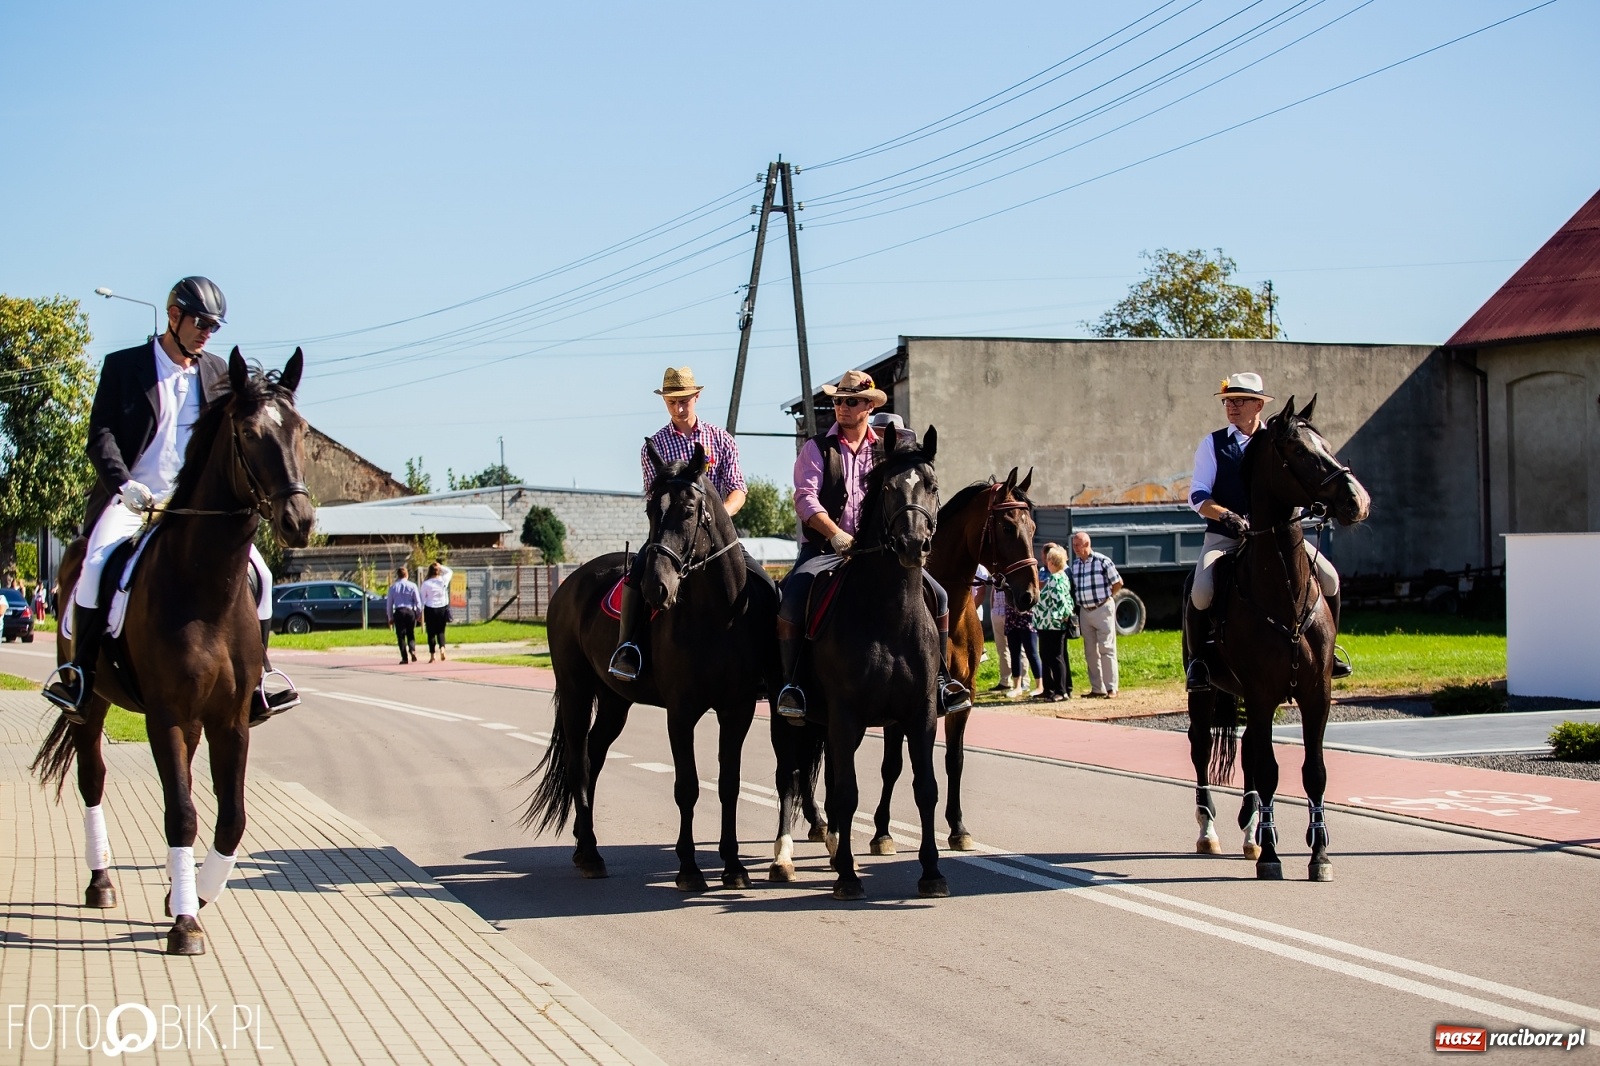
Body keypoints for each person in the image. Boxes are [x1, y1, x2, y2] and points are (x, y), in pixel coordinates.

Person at [43, 277, 297, 725]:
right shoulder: (125, 367)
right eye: (200, 322)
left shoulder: (218, 371)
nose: (206, 333)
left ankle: (257, 679)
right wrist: (124, 485)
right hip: (134, 499)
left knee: (260, 573)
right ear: (173, 315)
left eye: (214, 326)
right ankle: (79, 675)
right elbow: (100, 436)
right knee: (95, 566)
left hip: (195, 505)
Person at [773, 371, 970, 719]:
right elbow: (804, 499)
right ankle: (794, 686)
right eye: (837, 401)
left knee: (938, 596)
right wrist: (834, 532)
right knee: (791, 599)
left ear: (868, 406)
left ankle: (940, 681)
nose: (842, 407)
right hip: (823, 551)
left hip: (881, 555)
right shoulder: (817, 448)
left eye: (850, 401)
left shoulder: (885, 450)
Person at [1184, 372, 1347, 691]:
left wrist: (1306, 505)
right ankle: (1199, 661)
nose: (1232, 406)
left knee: (1330, 579)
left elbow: (1292, 484)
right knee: (1202, 589)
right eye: (1228, 401)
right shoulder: (1213, 444)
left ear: (1259, 404)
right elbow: (1197, 495)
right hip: (1227, 536)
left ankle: (1331, 654)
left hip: (1280, 538)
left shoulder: (1278, 442)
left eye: (1239, 400)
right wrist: (1226, 515)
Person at [608, 366, 751, 681]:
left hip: (718, 539)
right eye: (672, 401)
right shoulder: (653, 447)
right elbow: (653, 498)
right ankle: (627, 647)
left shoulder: (721, 440)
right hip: (670, 536)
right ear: (665, 402)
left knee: (764, 585)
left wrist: (717, 518)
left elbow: (738, 490)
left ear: (697, 396)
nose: (679, 407)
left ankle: (768, 662)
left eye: (685, 399)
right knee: (636, 576)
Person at [1069, 531, 1121, 698]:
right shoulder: (1075, 565)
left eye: (1078, 545)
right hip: (1085, 611)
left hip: (1102, 608)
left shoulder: (1102, 561)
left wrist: (1107, 598)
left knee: (1107, 648)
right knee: (1090, 651)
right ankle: (1097, 688)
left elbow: (1118, 583)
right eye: (1074, 545)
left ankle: (1112, 688)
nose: (1075, 548)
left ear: (1087, 544)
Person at [1034, 543, 1076, 702]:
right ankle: (1051, 689)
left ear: (1052, 562)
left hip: (1053, 625)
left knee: (1056, 657)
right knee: (1048, 656)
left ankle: (1061, 690)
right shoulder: (1060, 577)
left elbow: (1062, 602)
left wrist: (1064, 617)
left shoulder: (1056, 579)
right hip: (1046, 624)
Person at [1004, 592, 1042, 699]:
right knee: (1014, 654)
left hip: (1027, 618)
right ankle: (1017, 687)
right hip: (1011, 618)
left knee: (1032, 653)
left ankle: (1040, 686)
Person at [387, 566, 423, 664]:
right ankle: (412, 649)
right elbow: (418, 602)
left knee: (401, 635)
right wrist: (419, 614)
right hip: (410, 611)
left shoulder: (393, 587)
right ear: (406, 574)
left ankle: (404, 657)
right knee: (410, 633)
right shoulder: (412, 586)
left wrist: (390, 617)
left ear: (397, 575)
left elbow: (389, 603)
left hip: (399, 611)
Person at [421, 561, 453, 662]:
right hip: (442, 608)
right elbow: (449, 572)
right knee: (441, 631)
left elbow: (422, 599)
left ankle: (432, 655)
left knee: (431, 633)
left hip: (430, 608)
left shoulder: (426, 584)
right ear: (438, 571)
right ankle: (442, 648)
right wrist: (440, 566)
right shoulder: (443, 581)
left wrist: (420, 611)